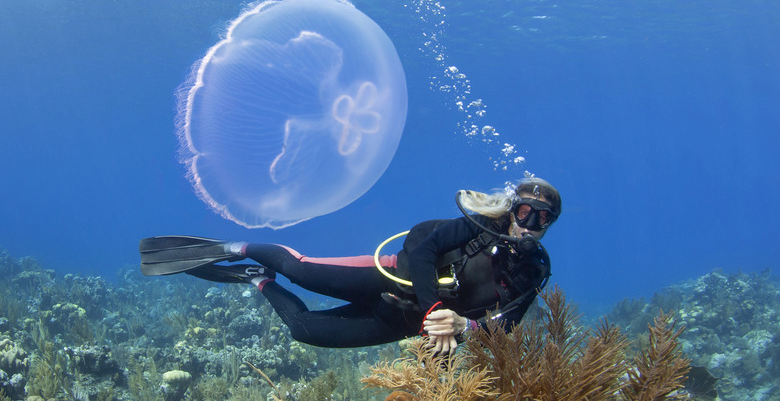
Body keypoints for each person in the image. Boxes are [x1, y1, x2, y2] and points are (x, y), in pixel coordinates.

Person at [140, 177, 561, 352]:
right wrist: (436, 309)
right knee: (300, 270)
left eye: (543, 220)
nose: (531, 225)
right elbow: (426, 250)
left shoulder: (534, 271)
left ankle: (258, 281)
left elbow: (505, 324)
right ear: (513, 209)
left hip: (402, 322)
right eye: (526, 213)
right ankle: (238, 249)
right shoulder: (479, 227)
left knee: (305, 332)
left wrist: (463, 327)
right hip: (388, 274)